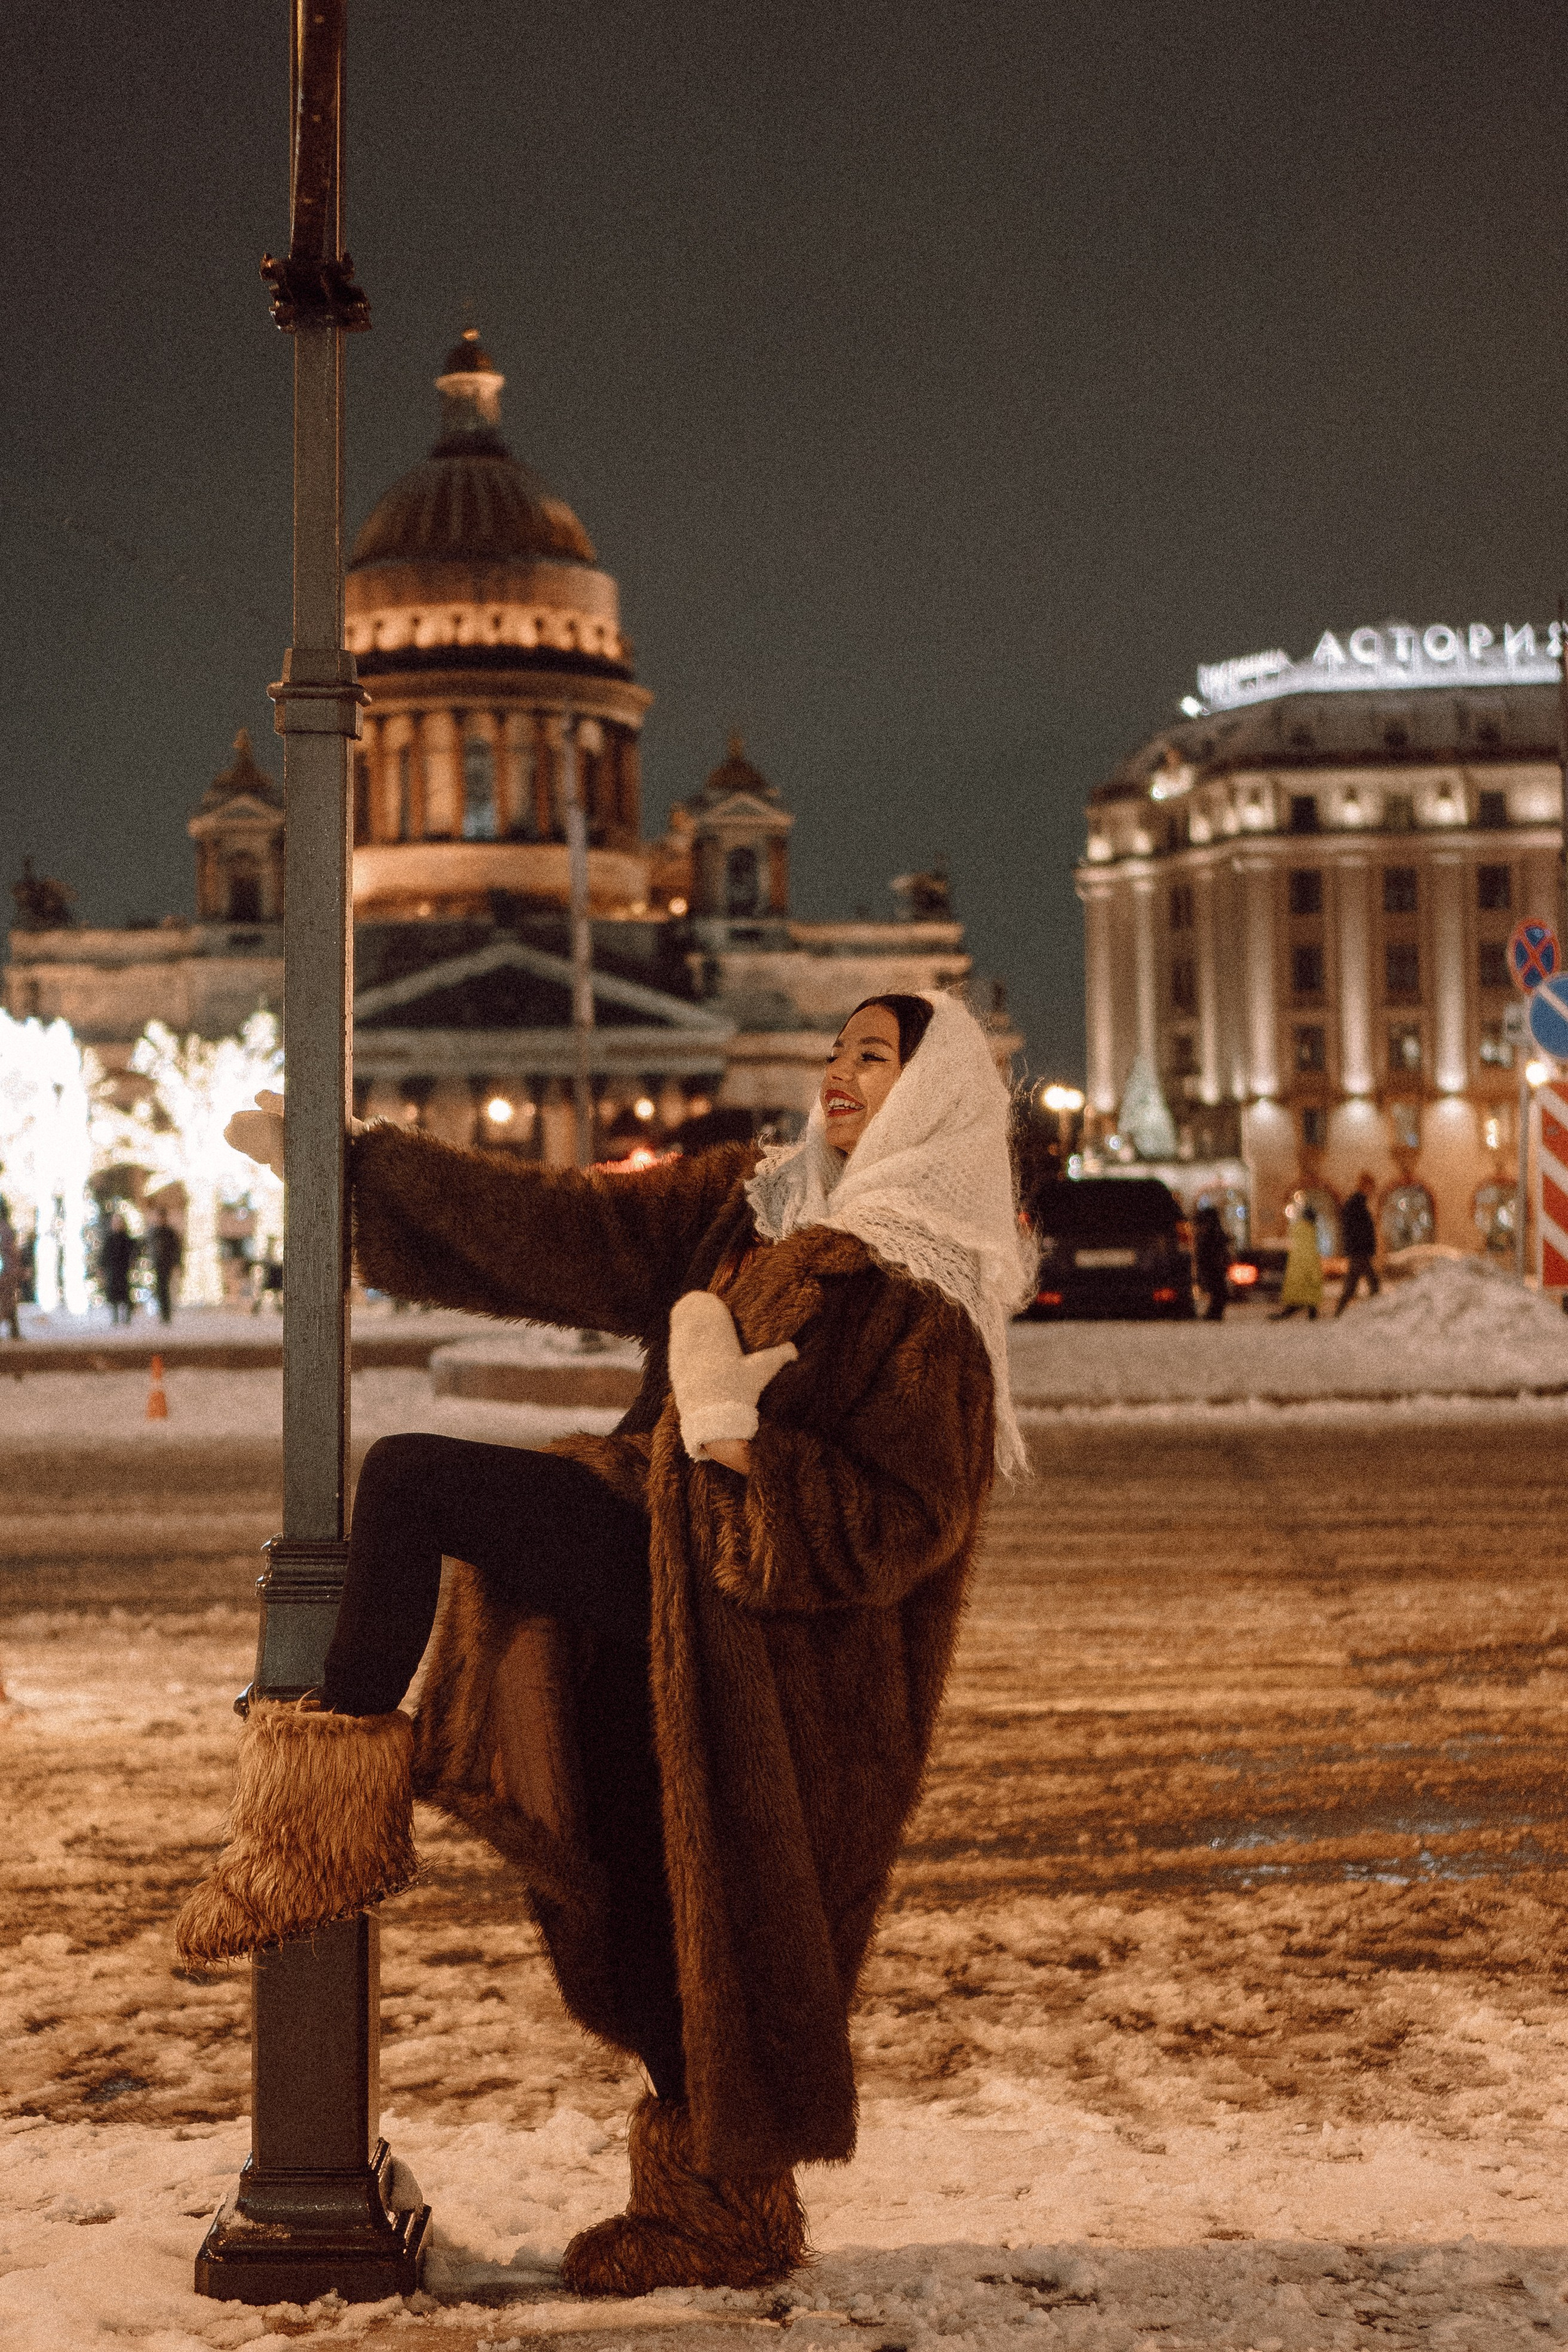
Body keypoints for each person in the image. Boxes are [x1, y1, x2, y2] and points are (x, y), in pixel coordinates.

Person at [178, 990, 1034, 2296]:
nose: (837, 1076)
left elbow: (907, 1520)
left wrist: (744, 1451)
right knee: (651, 1910)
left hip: (766, 1658)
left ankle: (314, 1827)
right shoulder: (747, 1209)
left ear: (938, 1095)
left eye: (873, 1057)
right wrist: (353, 1166)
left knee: (413, 1481)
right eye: (833, 1052)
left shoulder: (923, 1293)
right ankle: (715, 2216)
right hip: (660, 1574)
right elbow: (554, 1229)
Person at [1270, 1201, 1323, 1321]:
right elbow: (1311, 1249)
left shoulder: (1296, 1228)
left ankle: (1294, 1309)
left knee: (1298, 1288)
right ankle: (1311, 1312)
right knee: (1310, 1288)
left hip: (1297, 1263)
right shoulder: (1312, 1231)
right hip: (1309, 1262)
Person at [1336, 1174, 1381, 1315]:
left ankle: (1339, 1312)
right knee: (1373, 1283)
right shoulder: (1356, 1205)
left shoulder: (1359, 1204)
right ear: (1364, 1186)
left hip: (1359, 1251)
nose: (1372, 1191)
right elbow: (1356, 1230)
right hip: (1360, 1252)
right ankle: (1374, 1312)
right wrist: (1362, 1247)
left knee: (1352, 1286)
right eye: (1370, 1187)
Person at [1193, 1203, 1231, 1321]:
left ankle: (1215, 1312)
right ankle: (1215, 1312)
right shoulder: (1215, 1231)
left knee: (1216, 1288)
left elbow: (1204, 1250)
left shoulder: (1210, 1233)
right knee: (1217, 1288)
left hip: (1212, 1264)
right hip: (1214, 1264)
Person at [146, 1204, 182, 1325]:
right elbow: (148, 1247)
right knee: (160, 1289)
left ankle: (166, 1315)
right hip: (156, 1264)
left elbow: (176, 1249)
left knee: (164, 1289)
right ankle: (163, 1314)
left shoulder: (170, 1233)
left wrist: (176, 1263)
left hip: (167, 1264)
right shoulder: (152, 1232)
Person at [99, 1211, 137, 1325]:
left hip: (123, 1269)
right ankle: (115, 1317)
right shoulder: (109, 1239)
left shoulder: (127, 1239)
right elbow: (104, 1255)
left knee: (126, 1293)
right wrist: (102, 1267)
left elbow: (133, 1252)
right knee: (113, 1293)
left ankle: (127, 1318)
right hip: (112, 1269)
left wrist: (132, 1262)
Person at [0, 1198, 23, 1341]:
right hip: (7, 1271)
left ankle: (14, 1329)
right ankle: (14, 1330)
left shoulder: (5, 1229)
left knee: (7, 1300)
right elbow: (12, 1252)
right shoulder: (6, 1228)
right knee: (8, 1300)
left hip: (5, 1271)